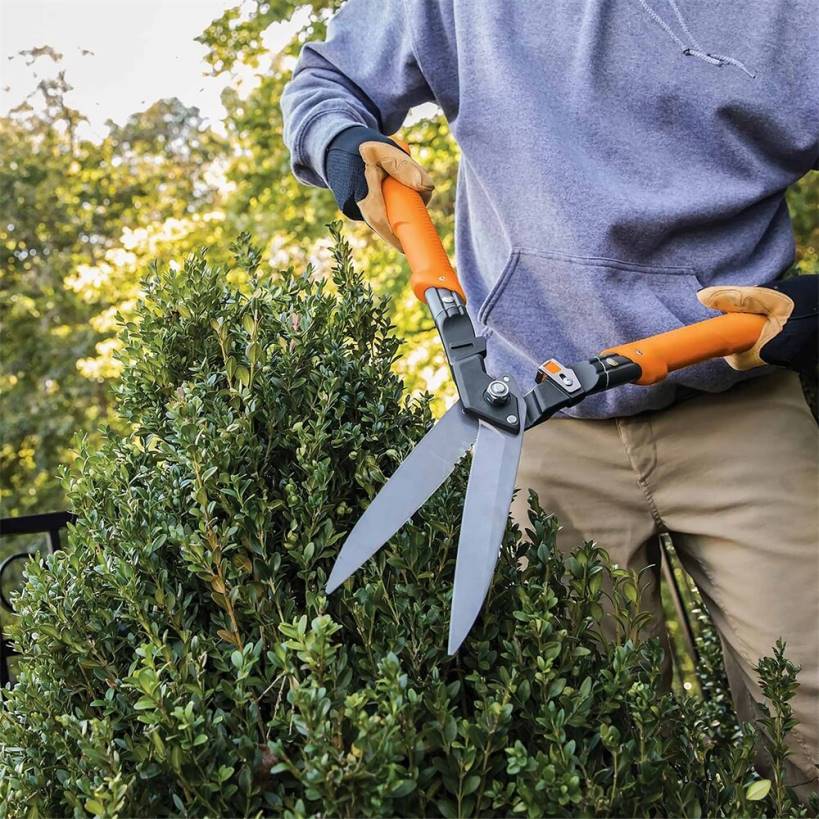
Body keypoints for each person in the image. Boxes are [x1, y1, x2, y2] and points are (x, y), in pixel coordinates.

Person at [281, 0, 818, 798]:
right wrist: (341, 142)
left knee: (809, 727)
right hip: (536, 416)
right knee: (583, 756)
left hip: (740, 395)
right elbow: (328, 79)